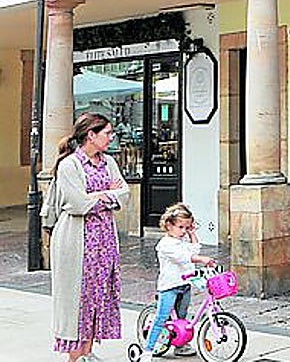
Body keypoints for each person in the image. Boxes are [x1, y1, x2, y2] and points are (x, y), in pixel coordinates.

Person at [47, 112, 130, 361]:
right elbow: (77, 203)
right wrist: (106, 194)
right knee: (77, 300)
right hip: (76, 239)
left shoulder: (109, 162)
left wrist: (95, 195)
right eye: (107, 133)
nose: (111, 138)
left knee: (98, 295)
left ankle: (88, 353)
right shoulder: (69, 165)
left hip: (104, 239)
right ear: (91, 135)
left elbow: (124, 193)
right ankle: (75, 356)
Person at [144, 204, 216, 357]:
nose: (184, 231)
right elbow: (183, 257)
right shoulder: (165, 245)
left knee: (182, 318)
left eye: (187, 227)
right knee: (161, 318)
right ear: (169, 225)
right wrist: (202, 259)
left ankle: (180, 344)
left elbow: (194, 249)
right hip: (169, 287)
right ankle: (147, 350)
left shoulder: (181, 241)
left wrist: (192, 234)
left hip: (184, 285)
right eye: (181, 227)